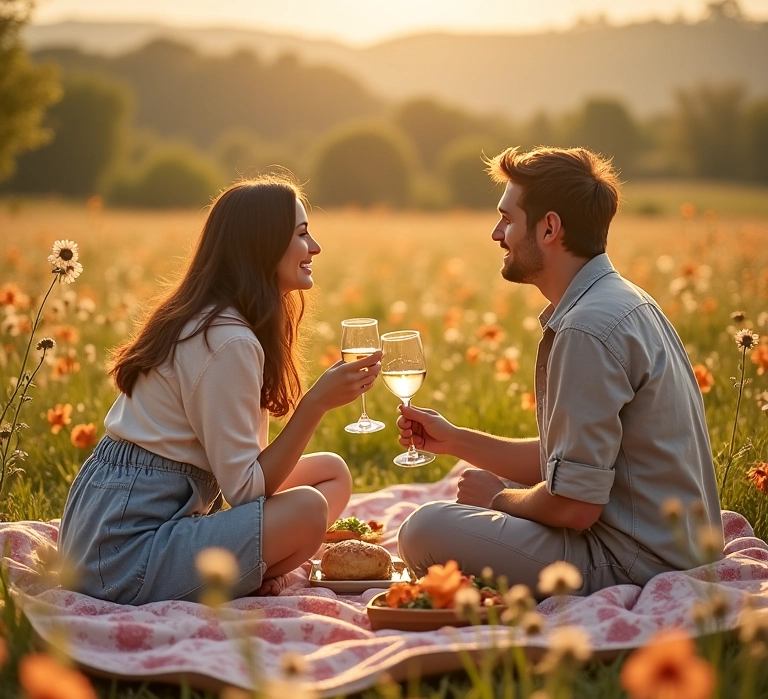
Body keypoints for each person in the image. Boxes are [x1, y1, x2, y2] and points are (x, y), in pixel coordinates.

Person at [396, 146, 723, 596]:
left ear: (549, 227)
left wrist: (497, 499)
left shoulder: (587, 329)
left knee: (424, 528)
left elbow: (574, 506)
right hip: (670, 544)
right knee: (495, 496)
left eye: (507, 219)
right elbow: (568, 462)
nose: (496, 233)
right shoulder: (621, 300)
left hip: (636, 561)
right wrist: (453, 440)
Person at [58, 176, 382, 605]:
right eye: (302, 234)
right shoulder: (227, 341)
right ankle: (253, 573)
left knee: (332, 473)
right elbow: (246, 491)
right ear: (262, 247)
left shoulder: (217, 321)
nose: (315, 247)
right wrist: (316, 404)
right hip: (121, 559)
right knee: (307, 510)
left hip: (105, 530)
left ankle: (251, 567)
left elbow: (244, 470)